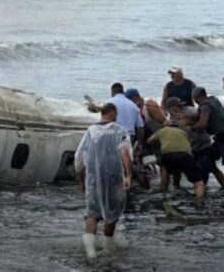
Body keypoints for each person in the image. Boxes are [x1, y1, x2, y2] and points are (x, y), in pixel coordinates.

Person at [75, 103, 133, 259]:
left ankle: (90, 251)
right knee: (112, 213)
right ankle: (108, 249)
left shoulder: (90, 131)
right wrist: (128, 176)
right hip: (114, 178)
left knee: (92, 213)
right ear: (113, 113)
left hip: (93, 178)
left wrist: (80, 179)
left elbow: (79, 157)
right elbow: (125, 153)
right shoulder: (119, 130)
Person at [147, 121, 205, 205]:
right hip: (186, 155)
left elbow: (149, 141)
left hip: (168, 155)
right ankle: (198, 201)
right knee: (199, 183)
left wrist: (158, 145)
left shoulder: (162, 130)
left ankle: (164, 194)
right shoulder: (183, 132)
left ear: (165, 125)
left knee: (165, 168)